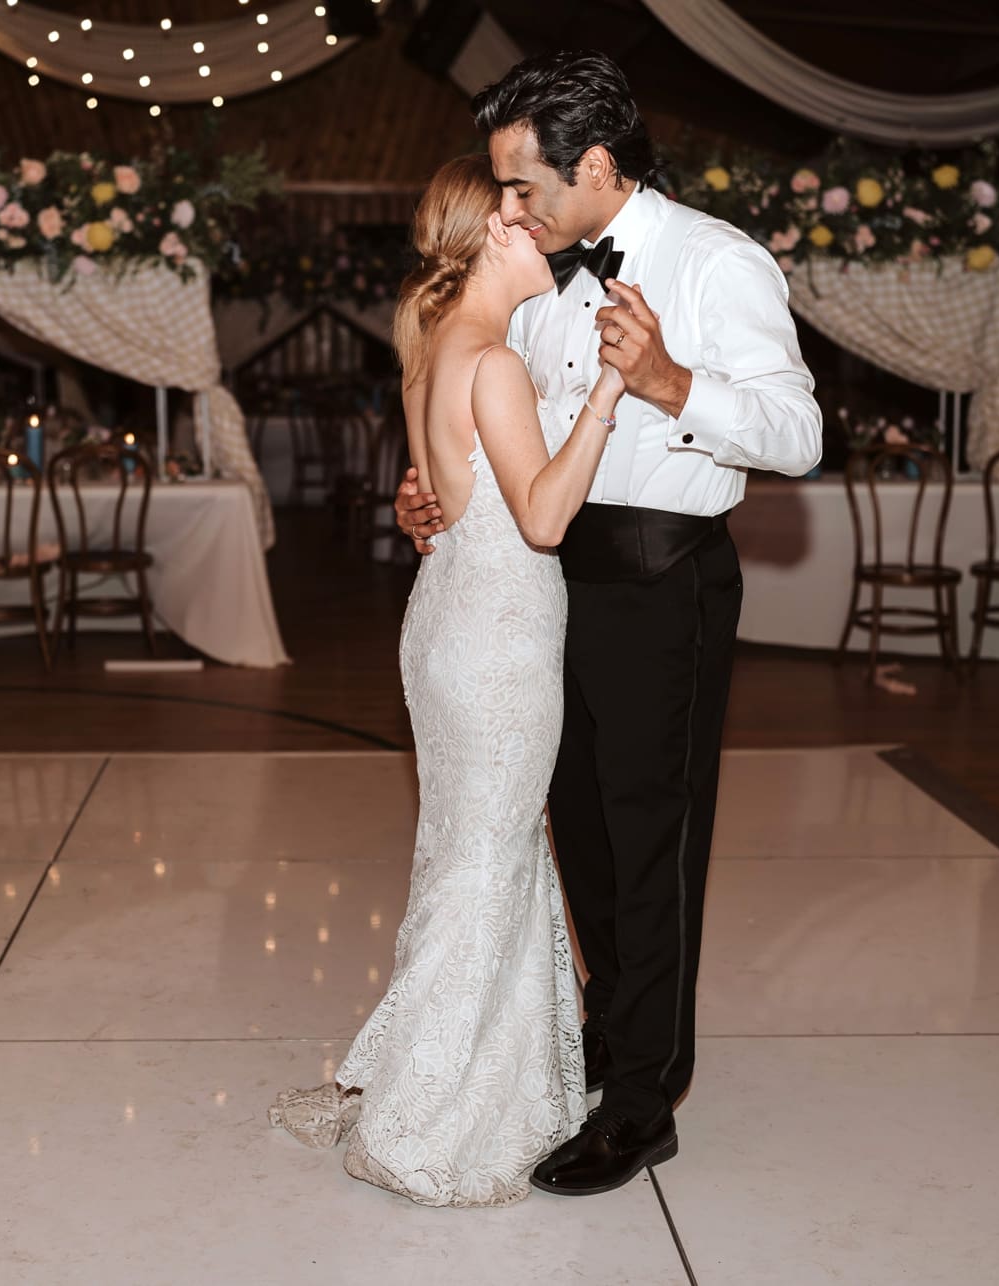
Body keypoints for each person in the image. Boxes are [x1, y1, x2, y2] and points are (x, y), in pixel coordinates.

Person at [396, 52, 821, 1197]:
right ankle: (603, 1027)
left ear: (593, 165)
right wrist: (438, 485)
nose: (509, 210)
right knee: (574, 824)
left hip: (659, 581)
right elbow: (505, 424)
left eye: (523, 186)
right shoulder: (539, 276)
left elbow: (798, 432)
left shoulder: (718, 262)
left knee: (650, 840)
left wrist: (676, 383)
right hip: (538, 586)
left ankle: (644, 1097)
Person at [270, 153, 629, 1207]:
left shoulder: (433, 348)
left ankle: (481, 1079)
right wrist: (610, 389)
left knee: (478, 856)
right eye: (528, 219)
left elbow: (441, 500)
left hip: (448, 628)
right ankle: (428, 1113)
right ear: (491, 240)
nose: (547, 233)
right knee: (488, 863)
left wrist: (415, 505)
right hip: (499, 640)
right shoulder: (497, 362)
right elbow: (546, 517)